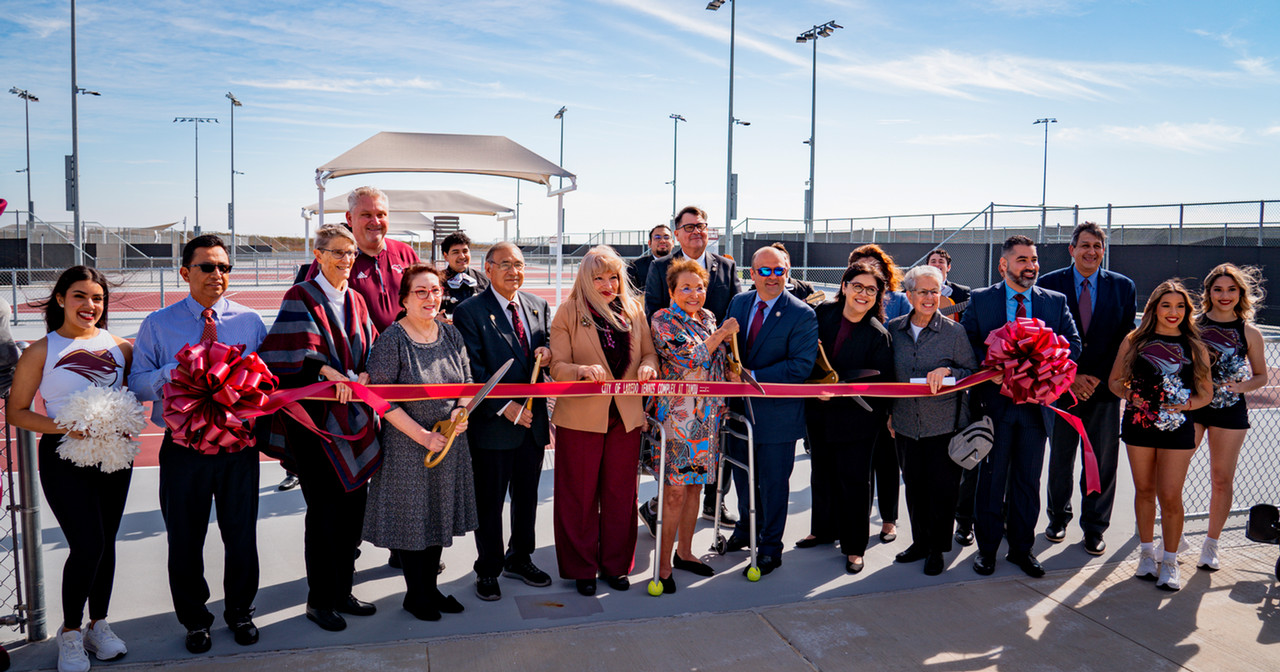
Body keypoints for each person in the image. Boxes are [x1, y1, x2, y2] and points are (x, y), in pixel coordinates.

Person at [130, 235, 266, 653]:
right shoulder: (158, 324)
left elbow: (267, 384)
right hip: (184, 449)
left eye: (224, 267)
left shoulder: (250, 321)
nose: (217, 275)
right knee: (185, 538)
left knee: (241, 535)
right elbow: (136, 383)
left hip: (237, 449)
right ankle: (195, 620)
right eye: (207, 267)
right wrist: (178, 370)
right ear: (186, 272)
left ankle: (241, 611)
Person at [7, 267, 134, 671]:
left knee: (107, 541)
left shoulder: (121, 347)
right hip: (64, 457)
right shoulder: (41, 350)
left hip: (113, 455)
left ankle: (99, 624)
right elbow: (17, 412)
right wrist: (69, 426)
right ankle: (71, 633)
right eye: (80, 296)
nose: (90, 306)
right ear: (61, 299)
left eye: (97, 298)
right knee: (87, 544)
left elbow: (129, 399)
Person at [259, 224, 381, 632]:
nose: (346, 259)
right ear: (319, 254)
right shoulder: (300, 296)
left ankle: (343, 591)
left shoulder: (358, 300)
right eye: (338, 252)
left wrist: (363, 374)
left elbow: (371, 348)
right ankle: (319, 599)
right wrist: (329, 373)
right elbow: (286, 352)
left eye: (351, 253)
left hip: (355, 419)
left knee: (352, 512)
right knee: (325, 513)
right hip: (314, 425)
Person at [362, 264, 478, 621]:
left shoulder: (450, 334)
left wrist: (461, 412)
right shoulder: (392, 339)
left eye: (436, 291)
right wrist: (424, 437)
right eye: (421, 292)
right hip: (409, 447)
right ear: (404, 299)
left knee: (437, 517)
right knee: (414, 521)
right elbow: (380, 399)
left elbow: (467, 381)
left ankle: (430, 589)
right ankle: (417, 595)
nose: (431, 298)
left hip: (448, 444)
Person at [286, 187, 419, 494]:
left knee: (400, 474)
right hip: (353, 387)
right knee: (346, 482)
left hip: (399, 381)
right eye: (366, 215)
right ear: (349, 218)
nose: (375, 221)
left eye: (381, 214)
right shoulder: (334, 261)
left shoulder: (406, 254)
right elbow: (310, 323)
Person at [961, 235, 1080, 578]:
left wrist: (1047, 366)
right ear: (1004, 265)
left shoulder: (1055, 302)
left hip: (1034, 409)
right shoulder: (982, 300)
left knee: (1027, 481)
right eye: (1023, 260)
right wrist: (991, 367)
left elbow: (1072, 344)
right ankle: (986, 551)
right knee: (991, 480)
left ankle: (1022, 549)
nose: (1031, 266)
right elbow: (967, 343)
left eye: (1034, 260)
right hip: (994, 407)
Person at [549, 246, 659, 595]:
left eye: (613, 276)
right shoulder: (568, 312)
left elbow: (649, 353)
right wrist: (580, 371)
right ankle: (582, 568)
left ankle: (616, 565)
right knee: (578, 495)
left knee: (620, 494)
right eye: (599, 277)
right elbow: (556, 366)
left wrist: (648, 367)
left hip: (625, 416)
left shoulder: (633, 310)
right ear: (585, 279)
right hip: (581, 417)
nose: (608, 284)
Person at [452, 242, 554, 601]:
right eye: (506, 264)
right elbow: (472, 369)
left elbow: (545, 353)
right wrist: (505, 406)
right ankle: (489, 567)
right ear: (489, 268)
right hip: (494, 425)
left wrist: (548, 352)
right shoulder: (469, 312)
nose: (514, 271)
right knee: (490, 502)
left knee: (527, 498)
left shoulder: (538, 306)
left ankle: (520, 557)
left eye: (520, 264)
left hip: (532, 424)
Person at [1039, 222, 1137, 556]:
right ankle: (1057, 518)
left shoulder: (1123, 287)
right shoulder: (1049, 284)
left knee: (1102, 461)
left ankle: (1095, 527)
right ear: (1072, 249)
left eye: (1097, 245)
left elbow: (1126, 340)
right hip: (1061, 388)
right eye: (1084, 245)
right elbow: (1044, 337)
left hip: (1105, 391)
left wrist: (1096, 378)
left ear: (1103, 250)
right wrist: (1072, 375)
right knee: (1061, 459)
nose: (1091, 251)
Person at [1109, 280, 1213, 591]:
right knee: (1144, 490)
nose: (1173, 312)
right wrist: (1133, 396)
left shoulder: (1195, 346)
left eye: (1180, 306)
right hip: (1139, 423)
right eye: (1166, 305)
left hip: (1178, 428)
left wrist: (1186, 404)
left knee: (1170, 495)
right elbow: (1115, 381)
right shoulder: (1135, 341)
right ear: (1154, 308)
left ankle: (1169, 561)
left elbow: (1206, 393)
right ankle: (1145, 555)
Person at [722, 246, 818, 577]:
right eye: (765, 271)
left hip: (777, 415)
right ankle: (747, 531)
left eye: (779, 270)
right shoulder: (739, 303)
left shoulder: (802, 314)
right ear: (753, 274)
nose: (773, 277)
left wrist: (750, 377)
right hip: (738, 413)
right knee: (743, 478)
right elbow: (726, 346)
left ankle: (770, 548)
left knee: (774, 484)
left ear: (788, 272)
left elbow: (800, 367)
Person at [643, 206, 741, 526]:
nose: (697, 231)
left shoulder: (725, 267)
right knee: (676, 480)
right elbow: (652, 320)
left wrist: (731, 362)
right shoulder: (660, 269)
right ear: (678, 232)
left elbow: (735, 314)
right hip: (678, 383)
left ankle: (715, 504)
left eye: (702, 226)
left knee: (703, 469)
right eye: (689, 227)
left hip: (712, 388)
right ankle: (660, 512)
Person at [648, 258, 739, 593]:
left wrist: (730, 367)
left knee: (695, 489)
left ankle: (685, 552)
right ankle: (663, 564)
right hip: (677, 419)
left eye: (699, 287)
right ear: (672, 291)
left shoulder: (709, 318)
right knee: (672, 493)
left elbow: (714, 358)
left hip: (707, 418)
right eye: (685, 287)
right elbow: (691, 357)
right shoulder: (663, 319)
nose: (694, 294)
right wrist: (722, 334)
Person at [798, 261, 894, 574]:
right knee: (821, 473)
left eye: (871, 289)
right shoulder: (821, 314)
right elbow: (806, 357)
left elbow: (881, 384)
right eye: (858, 286)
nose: (863, 293)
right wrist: (815, 388)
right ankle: (824, 530)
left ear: (878, 295)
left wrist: (840, 392)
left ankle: (855, 547)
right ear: (844, 287)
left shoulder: (878, 334)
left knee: (854, 482)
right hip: (819, 412)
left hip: (858, 421)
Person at [887, 265, 979, 576]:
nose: (929, 298)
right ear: (909, 294)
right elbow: (888, 379)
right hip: (905, 426)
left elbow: (972, 373)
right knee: (913, 486)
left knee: (943, 490)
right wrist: (890, 415)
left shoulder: (955, 333)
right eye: (923, 292)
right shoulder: (893, 330)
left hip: (943, 426)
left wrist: (950, 372)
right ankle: (919, 542)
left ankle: (937, 549)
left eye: (935, 292)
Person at [1190, 264, 1268, 571]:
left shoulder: (1250, 332)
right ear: (1208, 292)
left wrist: (1242, 386)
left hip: (1230, 410)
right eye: (1218, 289)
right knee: (1173, 476)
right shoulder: (1192, 325)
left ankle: (1211, 544)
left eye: (1231, 289)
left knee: (1221, 479)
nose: (1225, 295)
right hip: (1193, 407)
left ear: (1241, 293)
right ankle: (1172, 538)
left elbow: (1261, 375)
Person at [848, 243, 909, 543]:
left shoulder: (899, 301)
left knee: (886, 461)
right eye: (861, 266)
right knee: (857, 468)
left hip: (887, 387)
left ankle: (889, 520)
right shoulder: (849, 301)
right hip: (854, 392)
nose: (868, 271)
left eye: (874, 266)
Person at [440, 231, 490, 320]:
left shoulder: (484, 279)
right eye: (456, 252)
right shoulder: (437, 280)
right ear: (446, 256)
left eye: (465, 251)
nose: (462, 256)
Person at [926, 249, 970, 320]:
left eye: (941, 261)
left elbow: (968, 317)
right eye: (933, 261)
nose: (937, 264)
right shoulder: (914, 289)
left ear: (948, 267)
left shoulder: (962, 292)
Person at [627, 224, 673, 294]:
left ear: (672, 243)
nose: (662, 241)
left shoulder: (683, 265)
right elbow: (628, 293)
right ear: (649, 243)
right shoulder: (636, 267)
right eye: (657, 237)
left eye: (666, 237)